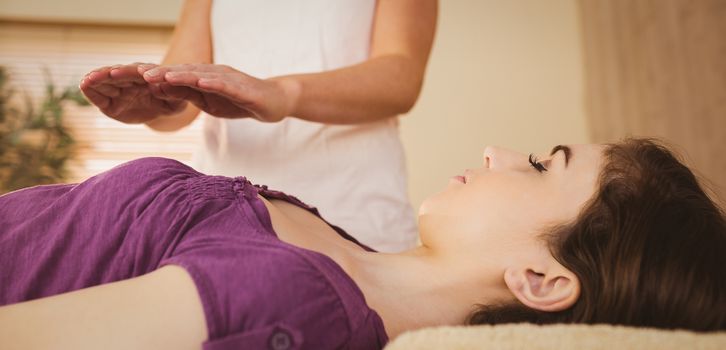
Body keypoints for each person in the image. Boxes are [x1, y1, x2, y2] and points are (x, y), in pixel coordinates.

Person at [0, 138, 724, 350]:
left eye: (541, 167)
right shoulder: (343, 253)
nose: (500, 152)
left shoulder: (295, 301)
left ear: (539, 277)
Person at [78, 0, 438, 253]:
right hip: (224, 217)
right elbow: (180, 99)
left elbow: (401, 76)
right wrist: (155, 104)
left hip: (354, 215)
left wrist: (282, 93)